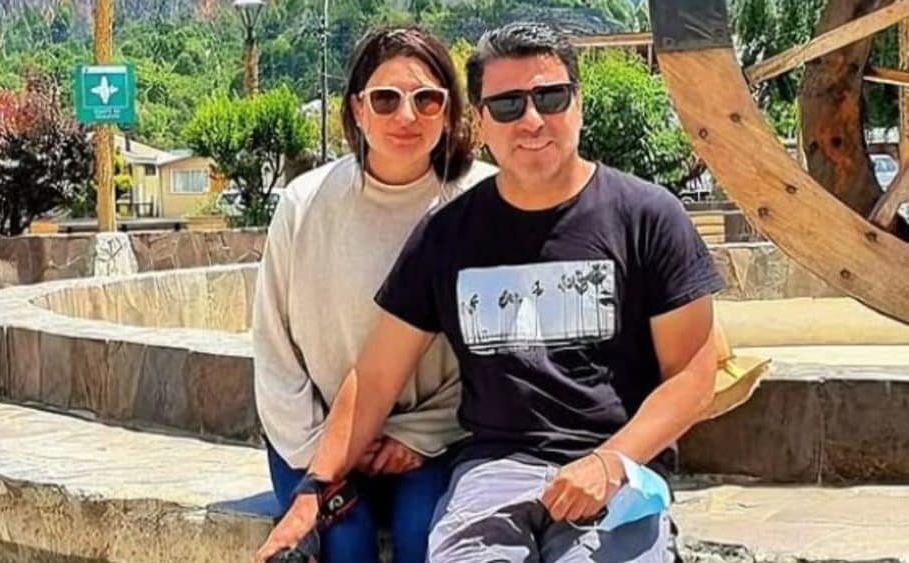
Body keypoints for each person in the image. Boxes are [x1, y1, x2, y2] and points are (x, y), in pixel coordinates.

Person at [256, 21, 726, 563]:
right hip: (493, 474)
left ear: (579, 104)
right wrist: (314, 489)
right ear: (480, 122)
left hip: (615, 471)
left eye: (550, 98)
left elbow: (694, 373)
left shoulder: (648, 217)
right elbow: (376, 378)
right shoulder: (446, 234)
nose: (531, 120)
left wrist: (611, 462)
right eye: (507, 105)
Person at [252, 25, 496, 563]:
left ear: (450, 112)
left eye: (426, 99)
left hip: (437, 437)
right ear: (358, 110)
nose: (406, 116)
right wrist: (322, 450)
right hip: (314, 435)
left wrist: (420, 435)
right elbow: (274, 350)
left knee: (425, 534)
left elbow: (496, 355)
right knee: (344, 539)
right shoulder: (303, 204)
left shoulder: (481, 203)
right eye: (386, 99)